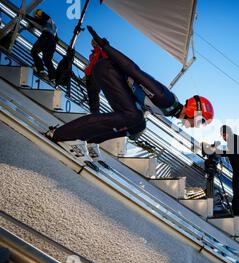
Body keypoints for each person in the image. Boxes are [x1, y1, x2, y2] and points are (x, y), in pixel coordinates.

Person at [45, 26, 214, 163]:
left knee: (139, 124)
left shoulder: (170, 108)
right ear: (193, 111)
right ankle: (63, 135)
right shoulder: (165, 99)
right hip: (108, 70)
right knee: (132, 116)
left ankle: (91, 142)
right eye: (199, 121)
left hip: (113, 75)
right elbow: (133, 69)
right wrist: (106, 47)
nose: (195, 125)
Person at [203, 126, 239, 234]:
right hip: (238, 174)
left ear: (228, 133)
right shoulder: (230, 142)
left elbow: (232, 152)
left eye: (223, 134)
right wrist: (215, 149)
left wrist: (215, 150)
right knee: (236, 198)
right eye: (222, 134)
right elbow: (228, 152)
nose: (222, 137)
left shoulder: (238, 139)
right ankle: (237, 219)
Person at [28, 9, 58, 81]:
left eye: (36, 16)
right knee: (47, 59)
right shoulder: (53, 24)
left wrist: (28, 17)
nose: (36, 17)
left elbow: (41, 21)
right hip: (53, 41)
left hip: (46, 36)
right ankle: (52, 77)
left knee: (34, 51)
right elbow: (56, 38)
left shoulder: (45, 17)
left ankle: (40, 68)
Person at [84, 39, 107, 114]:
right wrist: (86, 70)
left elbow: (106, 59)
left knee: (94, 93)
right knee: (90, 94)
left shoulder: (101, 51)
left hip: (96, 74)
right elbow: (91, 64)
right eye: (92, 42)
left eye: (95, 41)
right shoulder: (91, 54)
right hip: (89, 75)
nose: (93, 43)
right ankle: (93, 112)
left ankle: (95, 113)